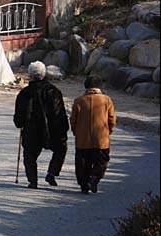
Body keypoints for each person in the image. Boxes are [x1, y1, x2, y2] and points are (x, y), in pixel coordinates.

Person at [13, 61, 69, 189]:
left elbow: (19, 115)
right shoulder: (54, 91)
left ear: (30, 75)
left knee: (29, 155)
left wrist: (19, 123)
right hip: (52, 129)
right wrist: (63, 129)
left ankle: (33, 181)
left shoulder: (24, 93)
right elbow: (59, 113)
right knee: (61, 149)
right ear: (44, 75)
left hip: (31, 130)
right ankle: (52, 173)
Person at [70, 75, 116, 194]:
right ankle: (94, 179)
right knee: (101, 162)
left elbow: (73, 120)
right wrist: (108, 131)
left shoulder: (79, 101)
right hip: (101, 139)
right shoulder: (106, 100)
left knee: (83, 163)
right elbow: (112, 119)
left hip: (82, 140)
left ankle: (84, 184)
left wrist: (76, 132)